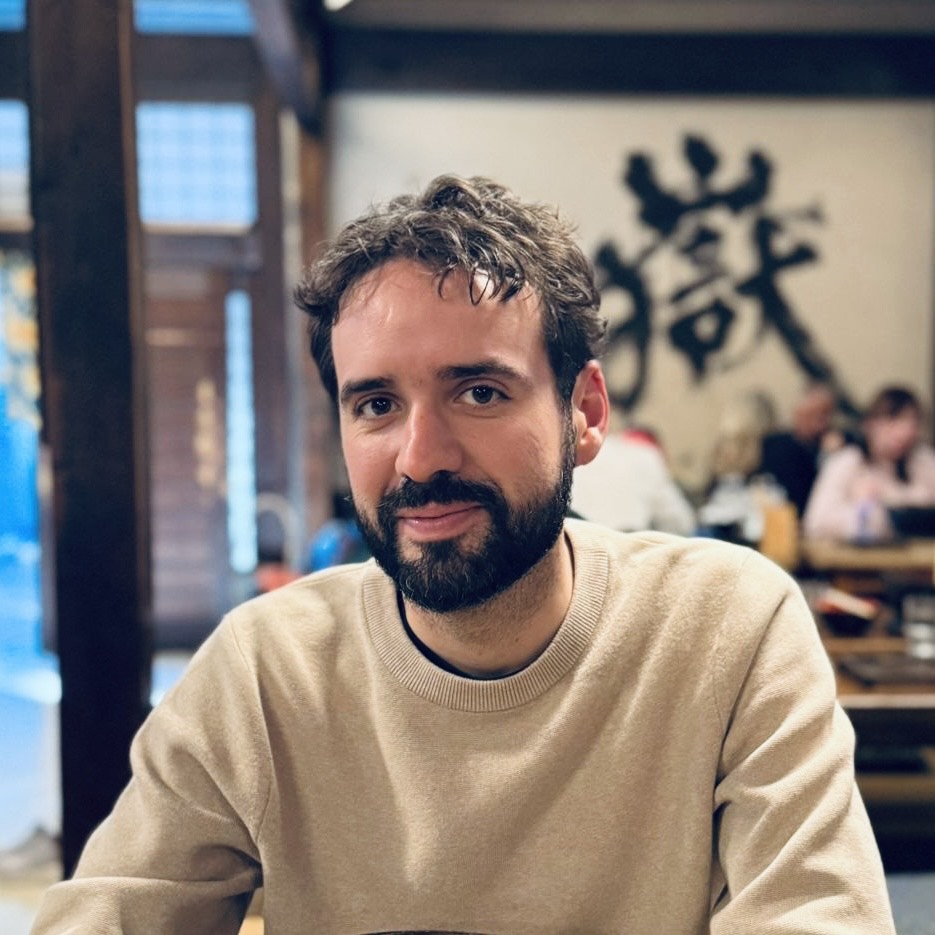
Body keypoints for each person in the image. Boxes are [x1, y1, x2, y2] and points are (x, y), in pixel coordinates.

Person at [33, 175, 894, 933]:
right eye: (374, 404)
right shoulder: (268, 670)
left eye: (478, 391)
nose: (420, 456)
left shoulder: (725, 630)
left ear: (584, 410)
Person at [804, 384, 935, 542]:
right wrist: (863, 512)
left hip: (921, 562)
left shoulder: (923, 461)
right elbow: (816, 523)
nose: (904, 432)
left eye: (912, 423)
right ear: (871, 424)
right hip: (859, 564)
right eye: (894, 420)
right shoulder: (848, 462)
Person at [571, 425, 696, 535]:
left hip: (573, 541)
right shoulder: (647, 457)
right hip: (623, 545)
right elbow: (680, 523)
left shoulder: (581, 448)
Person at [756, 382, 846, 516]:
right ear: (798, 412)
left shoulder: (830, 447)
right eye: (814, 414)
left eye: (826, 415)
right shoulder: (775, 445)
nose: (821, 423)